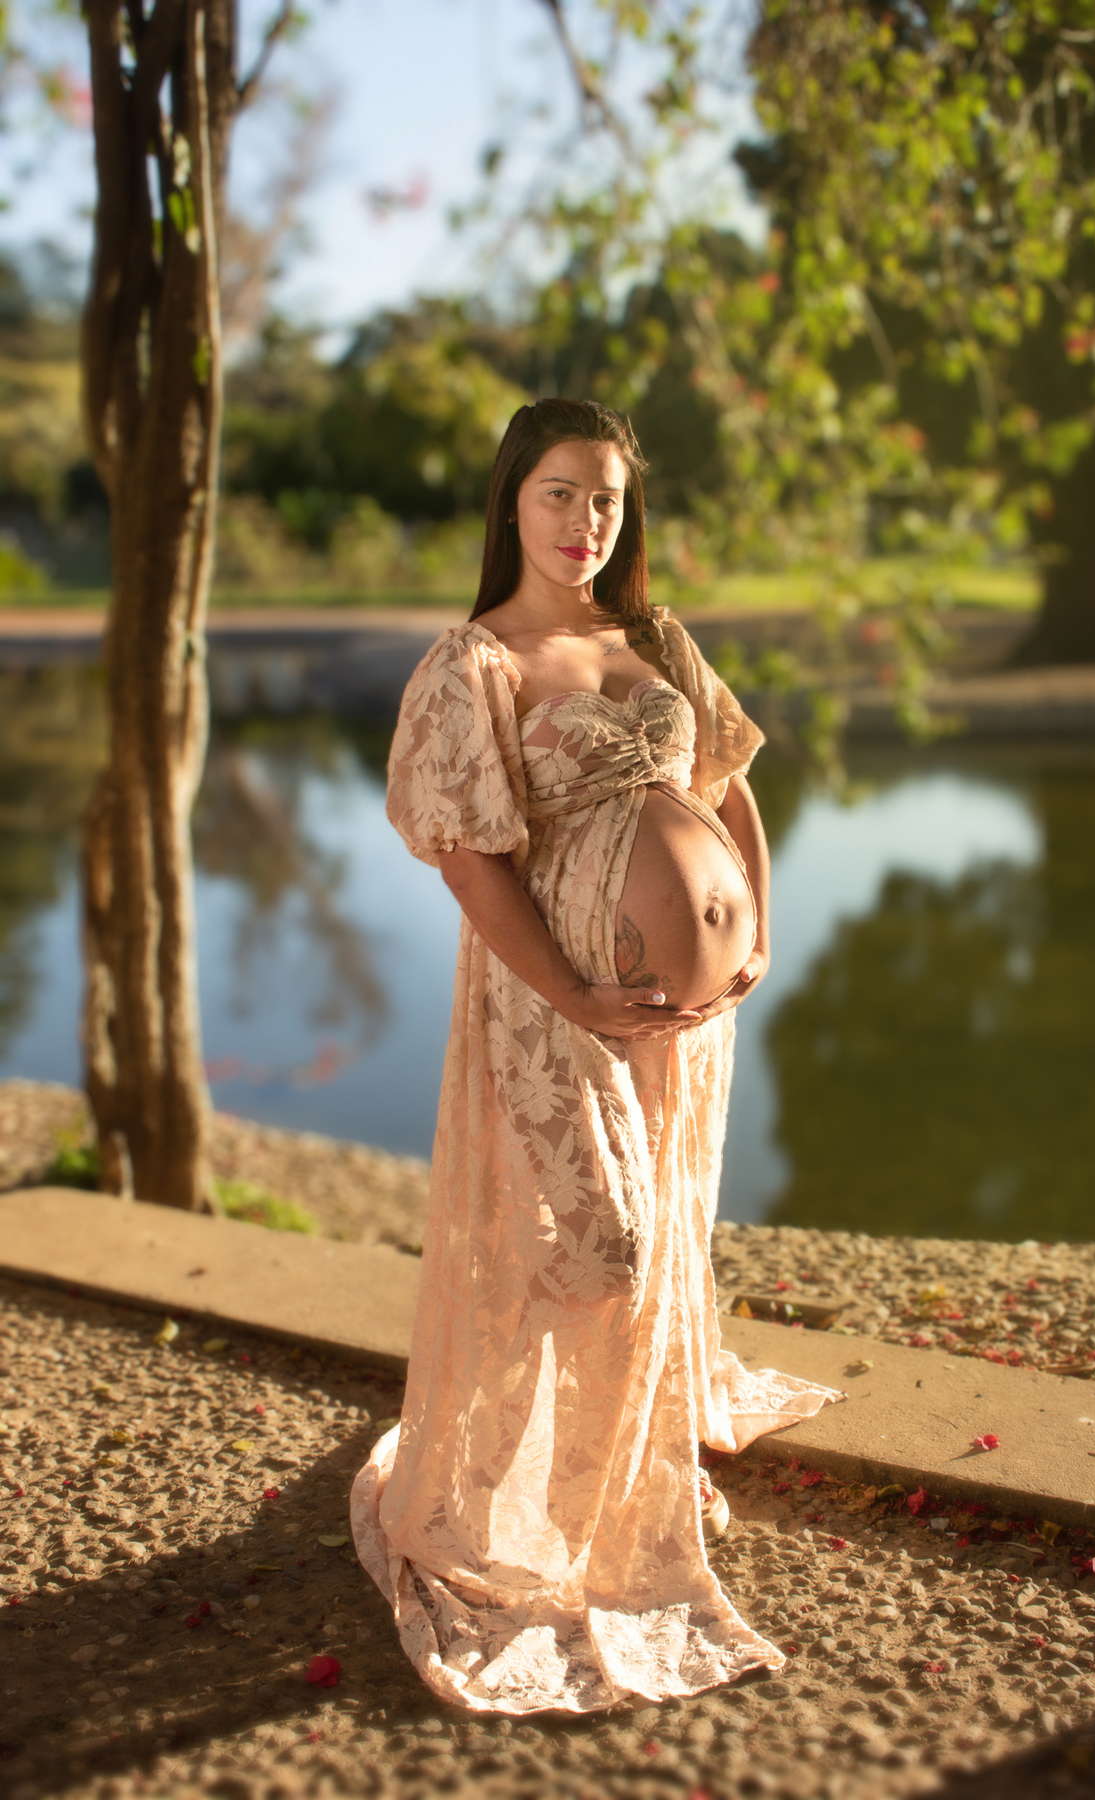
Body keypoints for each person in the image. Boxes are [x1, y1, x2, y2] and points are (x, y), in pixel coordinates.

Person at [350, 398, 843, 1715]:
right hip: (550, 1003)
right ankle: (499, 1520)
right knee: (592, 1251)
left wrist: (753, 935)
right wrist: (572, 988)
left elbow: (726, 783)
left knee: (661, 1234)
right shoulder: (475, 665)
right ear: (513, 499)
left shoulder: (655, 637)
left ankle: (623, 1484)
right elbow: (469, 856)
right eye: (561, 493)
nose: (585, 523)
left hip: (688, 1019)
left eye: (608, 500)